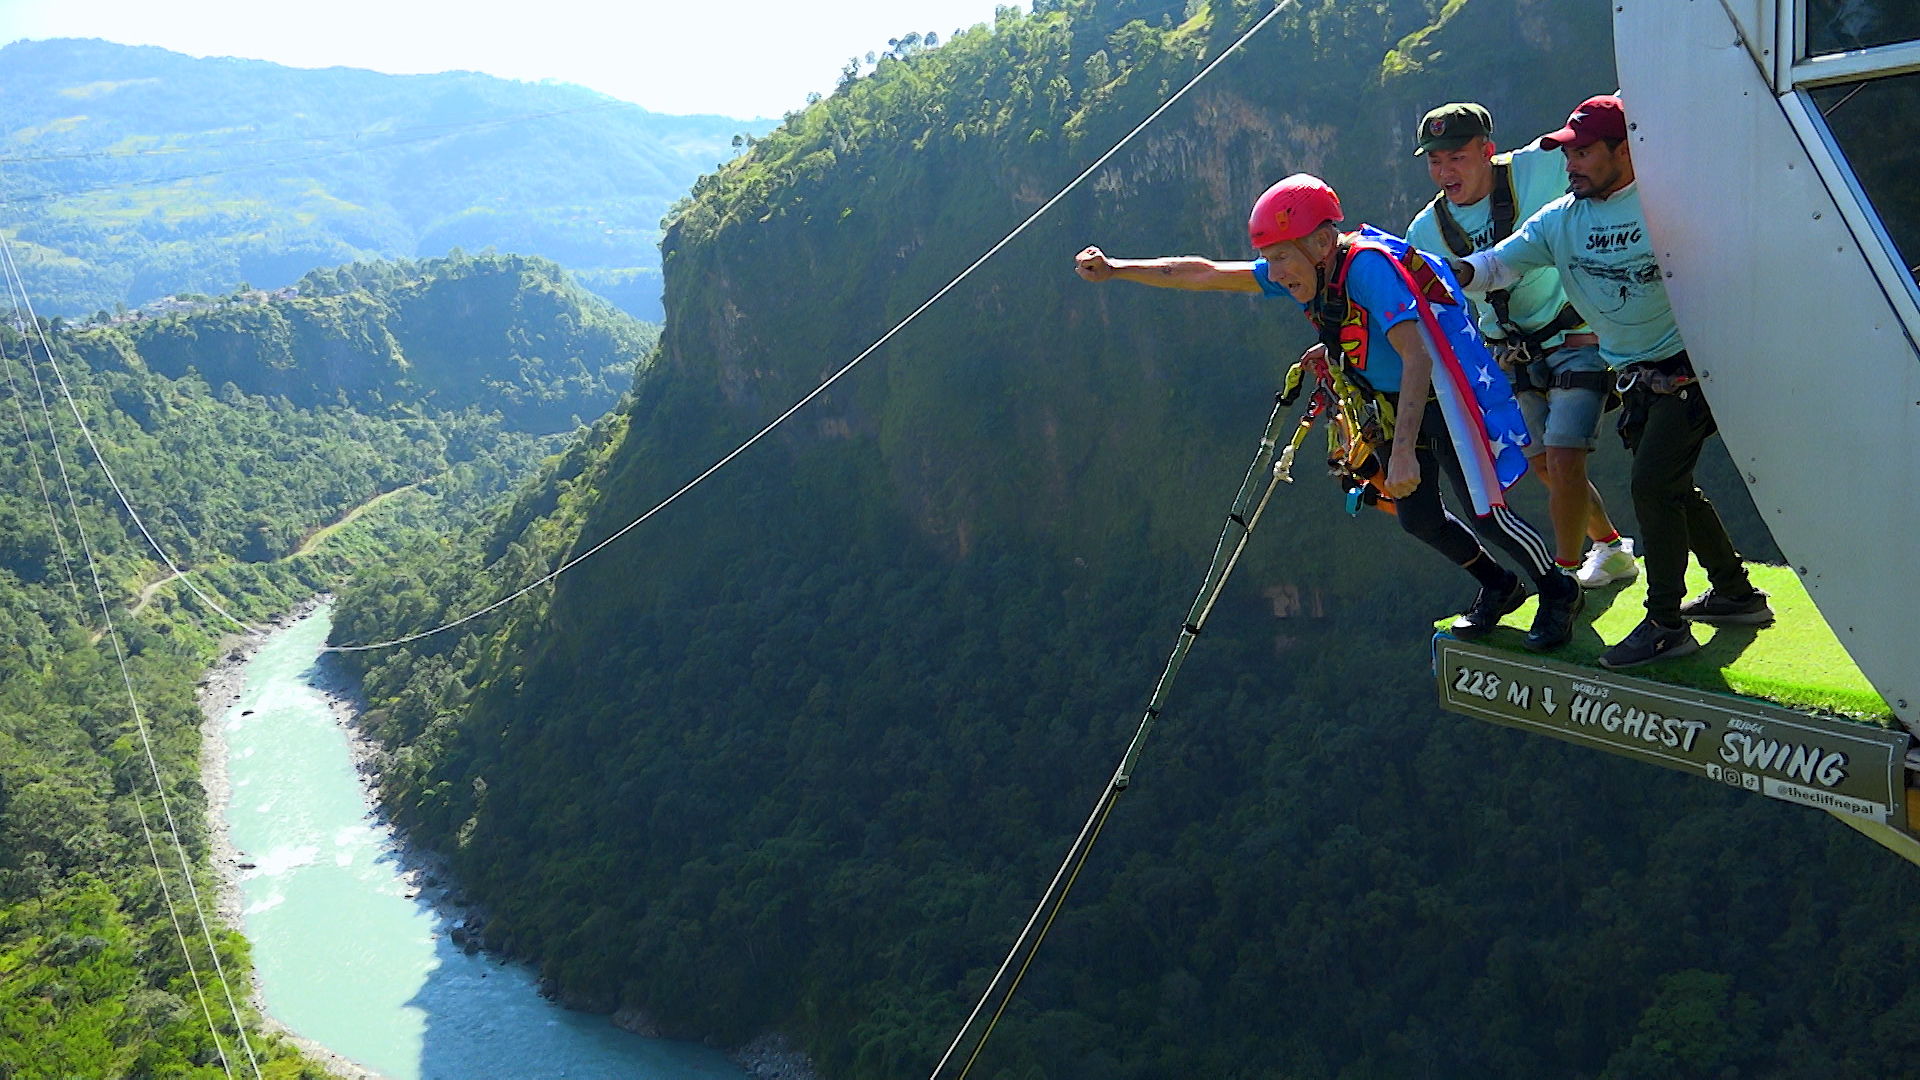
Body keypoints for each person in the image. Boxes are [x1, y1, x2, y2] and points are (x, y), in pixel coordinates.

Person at [1074, 174, 1585, 651]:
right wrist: (1117, 269)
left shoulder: (1367, 268)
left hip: (1438, 395)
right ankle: (1501, 587)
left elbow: (1417, 355)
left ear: (1321, 244)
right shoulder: (1309, 270)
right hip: (1387, 401)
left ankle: (1559, 589)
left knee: (1484, 510)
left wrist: (1403, 451)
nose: (1273, 274)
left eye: (1279, 258)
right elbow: (1206, 274)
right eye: (1268, 260)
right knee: (1419, 518)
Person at [1449, 95, 1773, 670]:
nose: (1570, 165)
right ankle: (1734, 592)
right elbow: (1496, 266)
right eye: (1567, 153)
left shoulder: (1665, 207)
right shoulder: (1561, 219)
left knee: (1651, 485)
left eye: (1583, 153)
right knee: (1669, 486)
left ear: (1625, 151)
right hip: (1636, 378)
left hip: (1692, 370)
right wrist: (1439, 274)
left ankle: (1666, 624)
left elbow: (1735, 264)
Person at [1405, 102, 1637, 590]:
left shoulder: (1540, 164)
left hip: (1575, 335)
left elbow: (1613, 127)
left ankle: (1565, 578)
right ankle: (1611, 548)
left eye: (1457, 157)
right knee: (1540, 463)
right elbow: (1420, 313)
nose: (1444, 171)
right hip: (1507, 354)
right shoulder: (1424, 233)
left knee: (1563, 456)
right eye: (1434, 160)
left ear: (1488, 152)